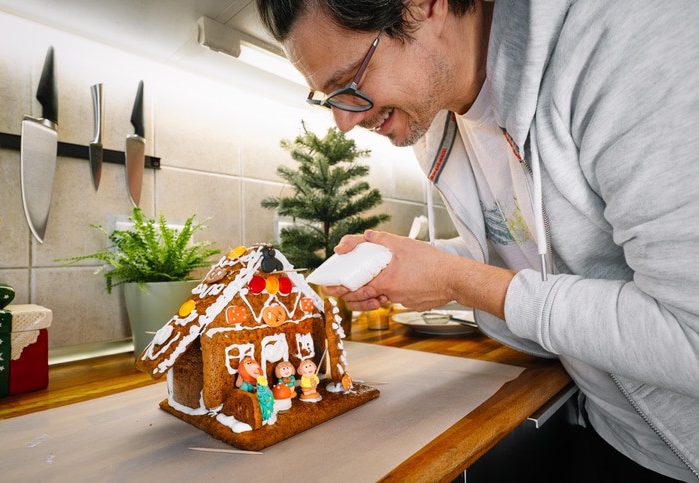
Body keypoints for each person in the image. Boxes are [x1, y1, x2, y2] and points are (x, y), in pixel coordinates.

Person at [255, 0, 699, 481]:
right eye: (328, 97)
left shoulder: (626, 43)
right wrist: (419, 265)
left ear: (425, 6)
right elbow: (533, 255)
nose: (343, 121)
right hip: (619, 432)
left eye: (351, 81)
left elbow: (690, 334)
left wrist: (456, 280)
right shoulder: (441, 123)